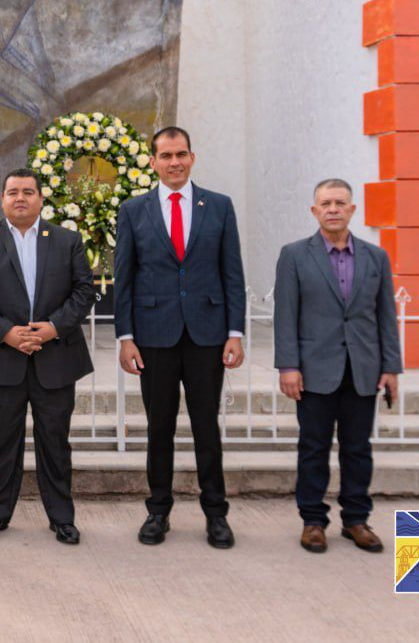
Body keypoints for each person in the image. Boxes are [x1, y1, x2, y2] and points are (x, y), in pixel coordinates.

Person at [113, 126, 246, 549]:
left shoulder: (219, 206)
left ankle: (216, 514)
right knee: (159, 428)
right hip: (154, 336)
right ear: (153, 161)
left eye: (181, 154)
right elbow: (124, 277)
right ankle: (158, 510)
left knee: (207, 427)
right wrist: (126, 336)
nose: (175, 162)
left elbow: (232, 273)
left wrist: (235, 332)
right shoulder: (133, 210)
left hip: (207, 334)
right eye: (166, 155)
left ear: (192, 157)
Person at [0, 169, 97, 545]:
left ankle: (62, 518)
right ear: (2, 199)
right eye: (13, 192)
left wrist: (54, 328)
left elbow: (84, 291)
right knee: (2, 441)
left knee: (55, 441)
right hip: (1, 357)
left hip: (56, 357)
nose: (20, 198)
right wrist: (6, 333)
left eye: (28, 192)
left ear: (40, 198)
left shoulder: (67, 240)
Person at [274, 178, 402, 554]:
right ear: (315, 211)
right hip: (314, 371)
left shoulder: (376, 257)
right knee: (313, 447)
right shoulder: (295, 255)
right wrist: (288, 366)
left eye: (340, 203)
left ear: (352, 209)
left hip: (362, 369)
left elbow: (386, 316)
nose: (333, 209)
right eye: (326, 203)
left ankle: (356, 520)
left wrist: (391, 367)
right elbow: (286, 315)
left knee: (358, 448)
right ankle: (313, 521)